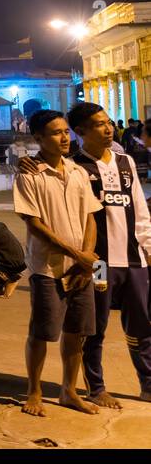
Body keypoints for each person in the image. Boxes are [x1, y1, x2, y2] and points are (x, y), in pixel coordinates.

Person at [27, 102, 151, 407]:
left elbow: (141, 209)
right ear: (80, 132)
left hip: (134, 259)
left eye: (109, 122)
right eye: (99, 124)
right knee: (94, 326)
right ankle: (96, 388)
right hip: (98, 261)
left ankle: (147, 384)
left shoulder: (126, 162)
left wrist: (148, 249)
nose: (108, 129)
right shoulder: (75, 167)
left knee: (143, 325)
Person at [13, 109, 101, 417]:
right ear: (38, 138)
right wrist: (77, 255)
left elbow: (90, 215)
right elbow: (33, 222)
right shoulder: (29, 174)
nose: (64, 137)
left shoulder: (77, 171)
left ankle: (69, 390)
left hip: (81, 268)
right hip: (48, 268)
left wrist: (87, 258)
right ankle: (34, 390)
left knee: (78, 332)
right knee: (42, 331)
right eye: (55, 132)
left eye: (66, 131)